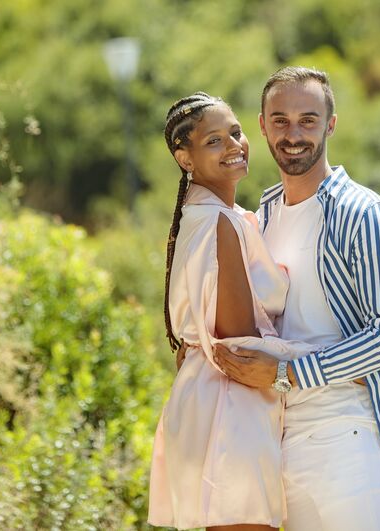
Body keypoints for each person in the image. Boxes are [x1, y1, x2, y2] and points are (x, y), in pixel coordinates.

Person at [213, 66, 380, 531]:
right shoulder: (261, 214)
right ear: (262, 125)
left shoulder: (365, 215)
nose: (294, 134)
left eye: (308, 120)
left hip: (346, 434)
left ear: (330, 124)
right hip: (279, 436)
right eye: (281, 120)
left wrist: (288, 372)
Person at [147, 92, 317, 530]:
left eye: (236, 133)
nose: (234, 146)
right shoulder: (218, 222)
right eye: (214, 141)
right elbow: (241, 340)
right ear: (185, 158)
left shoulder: (222, 216)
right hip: (231, 406)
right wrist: (334, 362)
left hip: (212, 396)